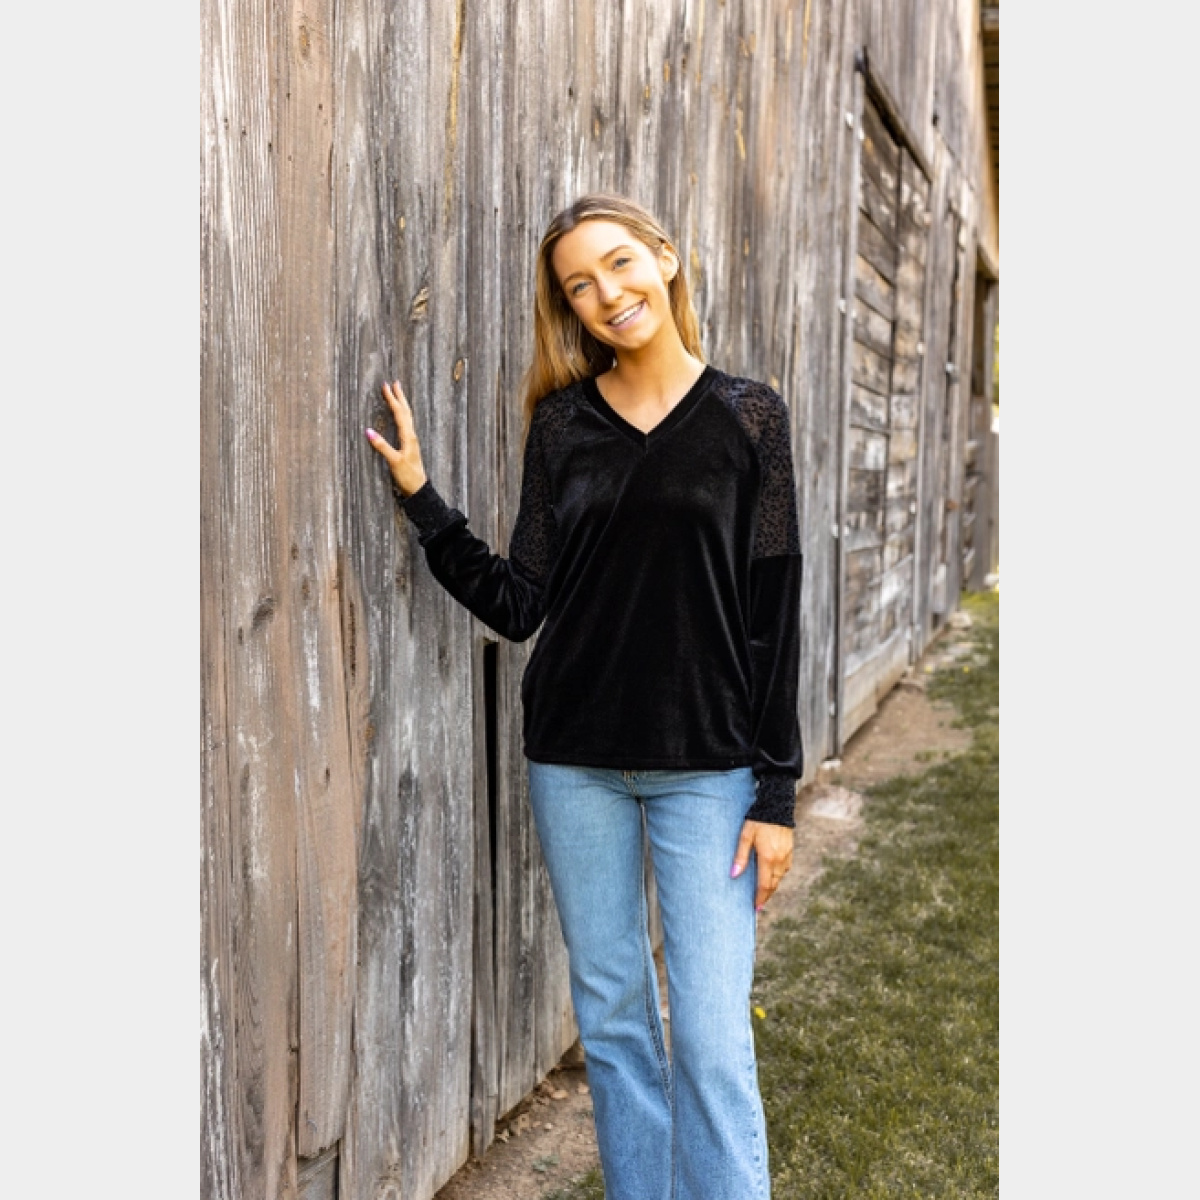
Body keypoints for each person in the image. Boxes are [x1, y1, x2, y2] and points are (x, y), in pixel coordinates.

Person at [366, 193, 803, 1200]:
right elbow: (524, 602)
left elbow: (774, 613)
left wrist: (774, 797)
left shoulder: (750, 418)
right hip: (574, 764)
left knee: (707, 1032)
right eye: (579, 285)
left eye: (618, 264)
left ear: (667, 259)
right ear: (569, 307)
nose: (606, 293)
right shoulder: (561, 424)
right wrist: (426, 503)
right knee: (611, 1021)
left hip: (710, 771)